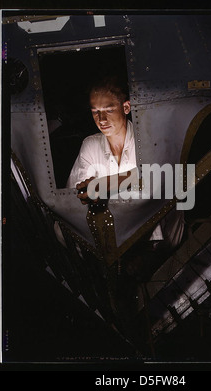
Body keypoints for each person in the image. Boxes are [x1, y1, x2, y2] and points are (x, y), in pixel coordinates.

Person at [67, 75, 184, 279]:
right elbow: (77, 192)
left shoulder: (149, 139)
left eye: (109, 110)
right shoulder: (90, 145)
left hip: (157, 241)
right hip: (114, 244)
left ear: (126, 107)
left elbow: (158, 181)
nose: (101, 120)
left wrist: (105, 186)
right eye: (96, 112)